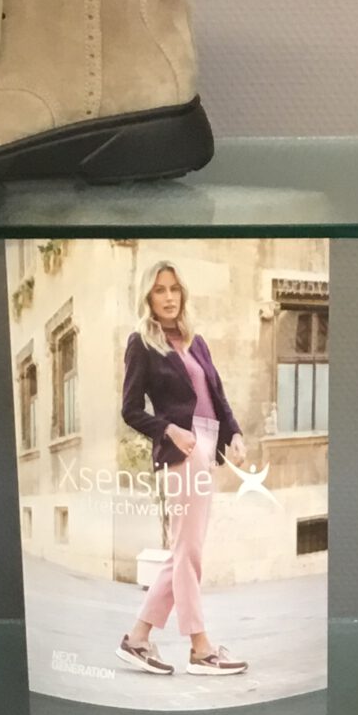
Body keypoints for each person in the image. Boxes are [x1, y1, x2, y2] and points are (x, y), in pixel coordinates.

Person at [118, 261, 248, 677]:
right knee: (188, 553)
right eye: (160, 290)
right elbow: (130, 410)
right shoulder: (142, 343)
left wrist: (235, 433)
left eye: (174, 288)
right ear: (148, 297)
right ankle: (200, 648)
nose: (169, 296)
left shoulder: (196, 342)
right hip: (182, 452)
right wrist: (169, 429)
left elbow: (217, 396)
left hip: (207, 448)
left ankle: (138, 638)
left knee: (183, 552)